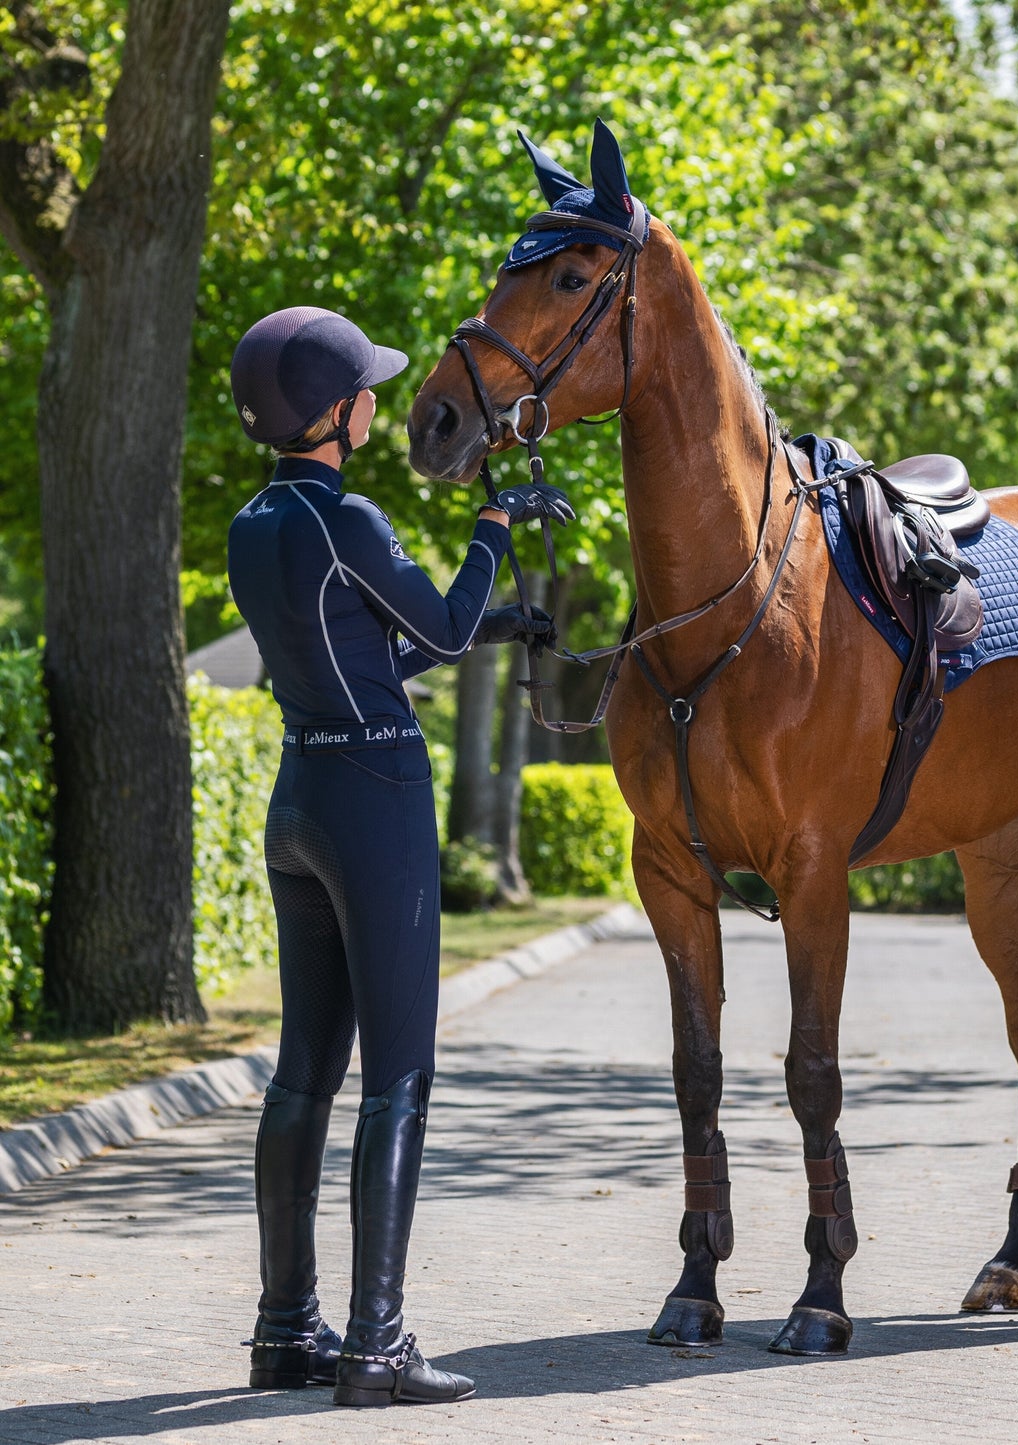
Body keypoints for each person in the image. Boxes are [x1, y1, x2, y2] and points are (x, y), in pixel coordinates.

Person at [226, 306, 572, 1408]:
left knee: (302, 1073)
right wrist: (492, 527)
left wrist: (497, 617)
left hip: (299, 791)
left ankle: (285, 1331)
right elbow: (444, 623)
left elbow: (391, 643)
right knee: (400, 1075)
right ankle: (376, 1343)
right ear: (337, 414)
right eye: (365, 387)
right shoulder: (350, 518)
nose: (379, 396)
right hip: (374, 796)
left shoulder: (253, 525)